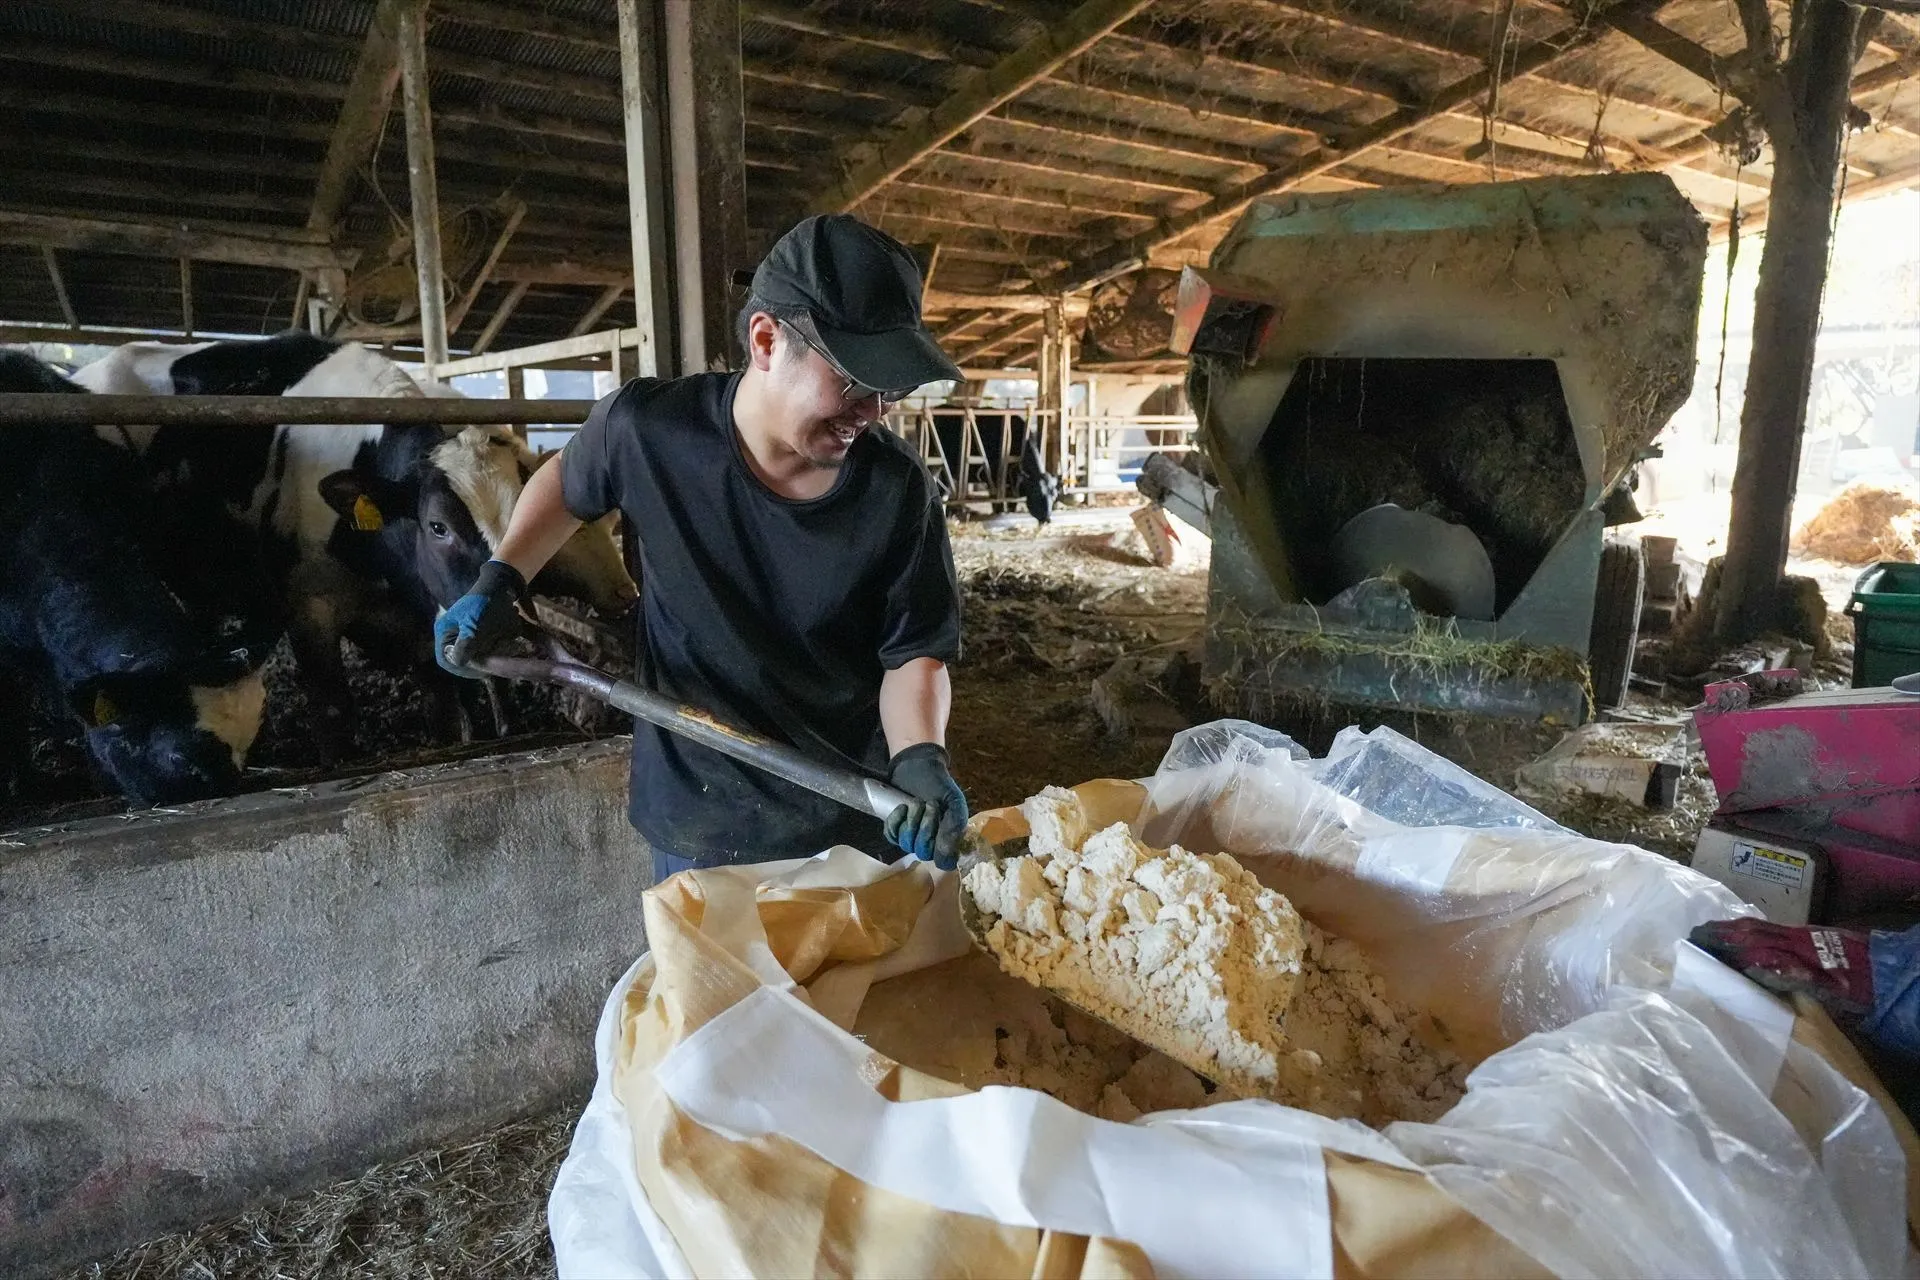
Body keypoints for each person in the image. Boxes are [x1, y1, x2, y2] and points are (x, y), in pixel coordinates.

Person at [434, 214, 969, 882]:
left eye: (889, 387)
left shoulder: (898, 494)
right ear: (767, 339)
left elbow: (912, 653)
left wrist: (919, 756)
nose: (874, 408)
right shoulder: (651, 431)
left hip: (850, 815)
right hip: (699, 813)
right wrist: (501, 578)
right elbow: (568, 484)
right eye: (854, 378)